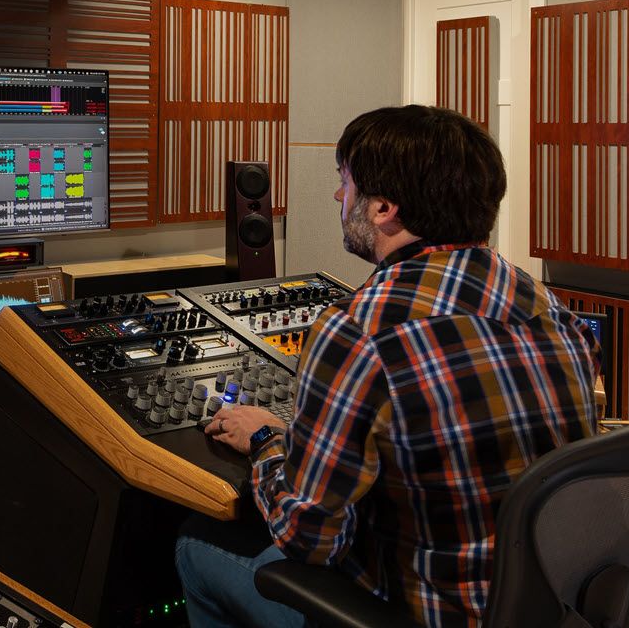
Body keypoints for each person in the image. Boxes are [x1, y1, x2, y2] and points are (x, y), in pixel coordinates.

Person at [175, 105, 601, 627]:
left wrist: (268, 441)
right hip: (544, 605)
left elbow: (307, 536)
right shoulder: (545, 303)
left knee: (197, 545)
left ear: (383, 208)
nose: (338, 196)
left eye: (345, 181)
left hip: (427, 613)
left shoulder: (359, 330)